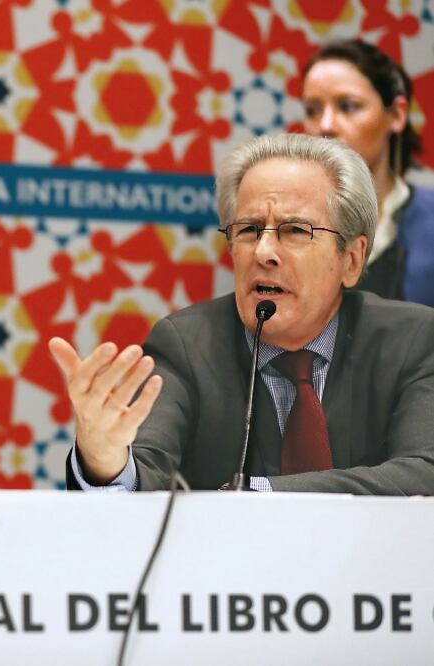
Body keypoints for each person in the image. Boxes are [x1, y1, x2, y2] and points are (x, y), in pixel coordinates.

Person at [51, 133, 434, 495]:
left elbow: (425, 470)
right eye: (249, 230)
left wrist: (258, 494)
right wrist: (103, 457)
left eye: (295, 230)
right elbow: (145, 475)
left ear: (350, 259)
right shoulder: (186, 344)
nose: (264, 251)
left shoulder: (412, 340)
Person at [301, 39, 434, 306]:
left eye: (347, 106)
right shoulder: (288, 224)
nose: (325, 125)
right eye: (312, 110)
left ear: (396, 114)